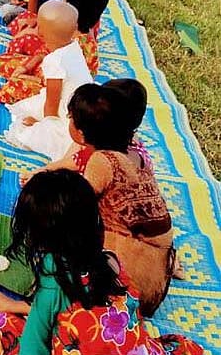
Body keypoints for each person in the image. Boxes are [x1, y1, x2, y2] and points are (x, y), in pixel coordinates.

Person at [0, 170, 202, 355]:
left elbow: (33, 348)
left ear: (37, 237)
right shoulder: (109, 262)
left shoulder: (54, 283)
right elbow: (80, 314)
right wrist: (20, 306)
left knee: (0, 327)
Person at [64, 83, 176, 315]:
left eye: (71, 117)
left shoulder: (103, 162)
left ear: (82, 132)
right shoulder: (134, 153)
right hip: (156, 279)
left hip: (127, 286)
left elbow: (73, 208)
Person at [0, 0, 108, 104]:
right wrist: (26, 67)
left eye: (63, 0)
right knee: (6, 61)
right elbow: (44, 53)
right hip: (49, 74)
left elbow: (53, 82)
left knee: (7, 87)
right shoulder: (84, 38)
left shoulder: (68, 41)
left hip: (56, 90)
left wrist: (26, 77)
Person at [6, 1, 92, 160]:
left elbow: (52, 103)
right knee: (34, 102)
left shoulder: (54, 60)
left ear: (41, 34)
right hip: (81, 105)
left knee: (27, 132)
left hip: (68, 115)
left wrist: (42, 125)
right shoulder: (75, 46)